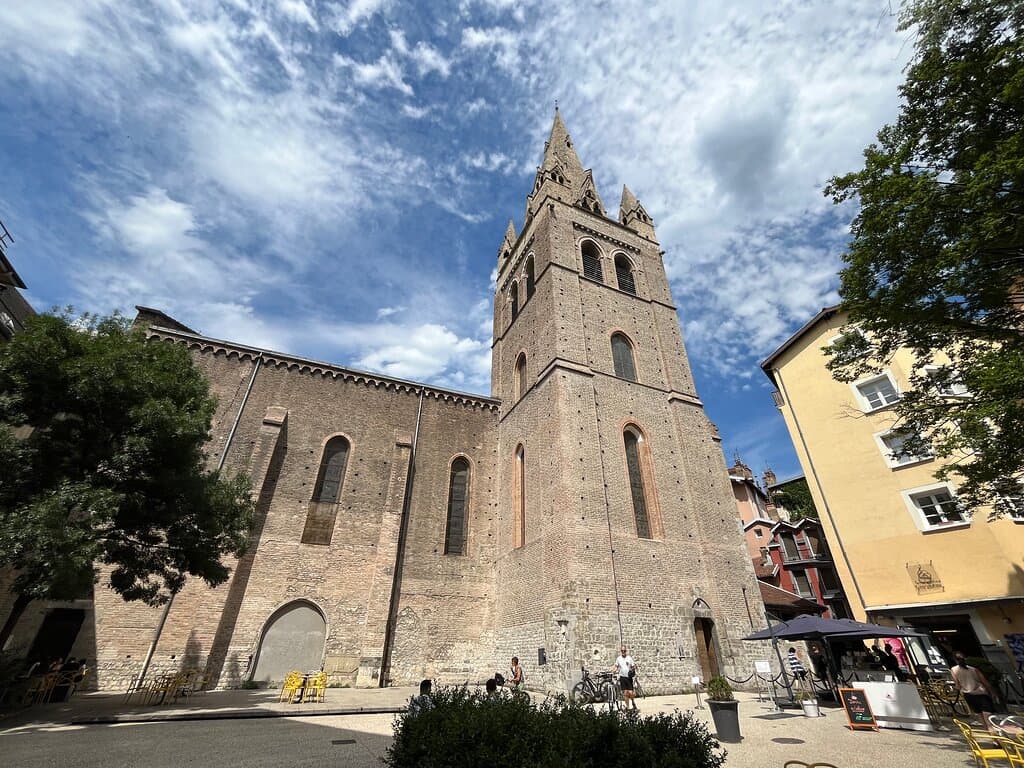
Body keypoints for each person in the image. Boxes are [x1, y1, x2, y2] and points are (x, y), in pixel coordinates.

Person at [613, 645, 637, 710]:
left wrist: (632, 668)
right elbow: (616, 666)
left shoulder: (629, 658)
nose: (623, 652)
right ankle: (628, 707)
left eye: (624, 650)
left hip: (629, 677)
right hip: (622, 677)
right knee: (625, 693)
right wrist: (613, 671)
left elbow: (634, 666)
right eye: (622, 651)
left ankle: (633, 702)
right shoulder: (618, 658)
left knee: (631, 693)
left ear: (626, 651)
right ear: (621, 651)